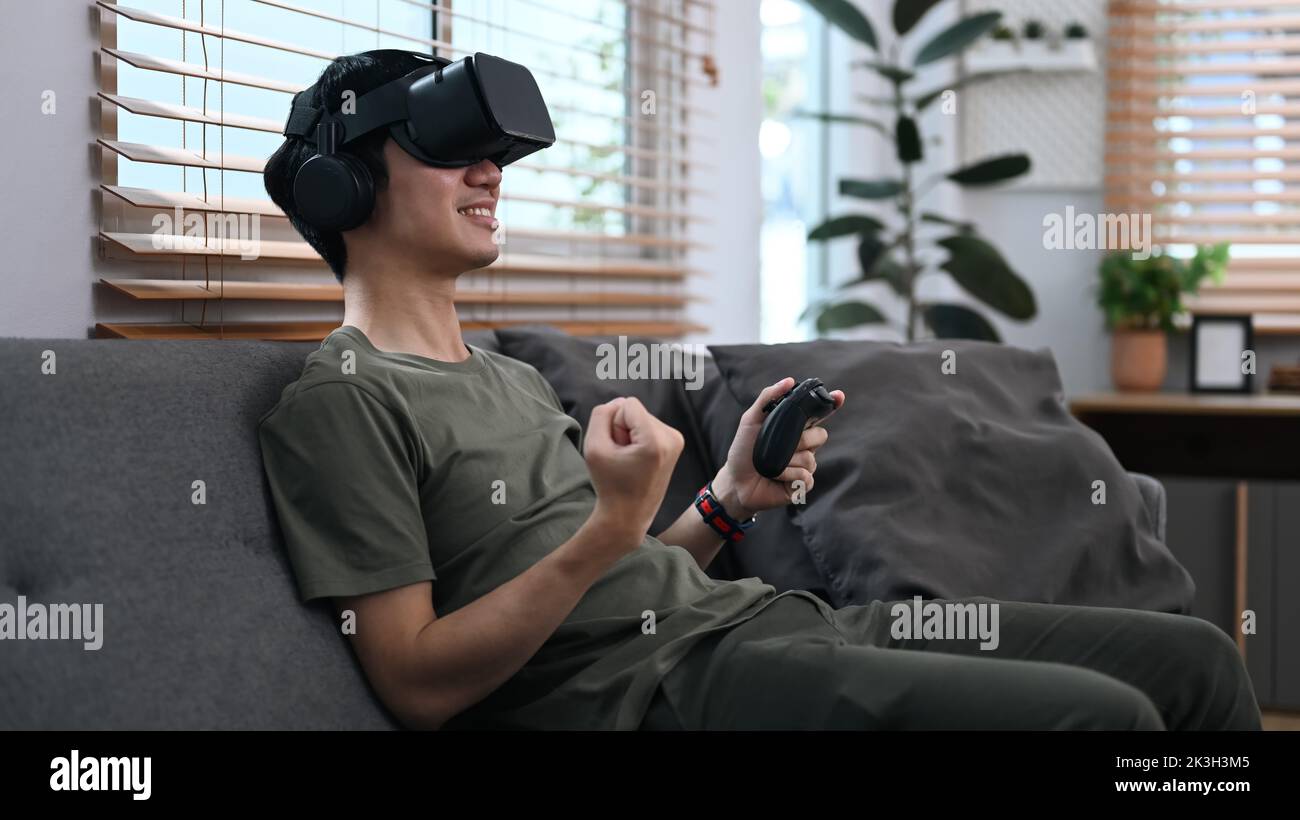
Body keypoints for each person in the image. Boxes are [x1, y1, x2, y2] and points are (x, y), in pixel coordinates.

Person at [257, 50, 1261, 731]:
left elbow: (613, 584)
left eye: (492, 154)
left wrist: (725, 497)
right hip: (664, 694)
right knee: (1109, 722)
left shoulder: (508, 376)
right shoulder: (342, 399)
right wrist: (607, 528)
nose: (488, 173)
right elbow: (415, 680)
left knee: (1197, 663)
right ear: (339, 189)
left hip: (765, 623)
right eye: (446, 150)